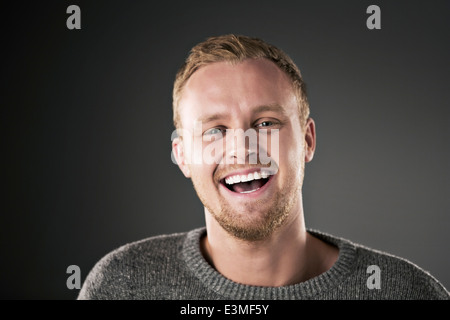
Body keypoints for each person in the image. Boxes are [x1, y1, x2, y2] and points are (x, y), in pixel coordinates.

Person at [78, 34, 449, 300]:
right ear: (183, 155)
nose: (242, 149)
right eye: (215, 130)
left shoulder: (405, 291)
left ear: (307, 140)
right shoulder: (121, 285)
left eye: (266, 124)